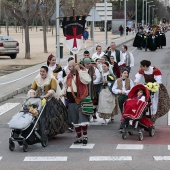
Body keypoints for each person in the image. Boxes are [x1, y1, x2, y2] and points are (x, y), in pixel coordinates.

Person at [28, 65, 68, 137]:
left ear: (47, 72)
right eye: (40, 71)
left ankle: (50, 132)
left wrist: (45, 96)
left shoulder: (51, 79)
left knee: (51, 117)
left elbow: (53, 89)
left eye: (43, 72)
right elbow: (33, 89)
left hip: (49, 100)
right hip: (39, 100)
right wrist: (32, 95)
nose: (42, 73)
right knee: (36, 115)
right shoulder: (37, 79)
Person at [60, 60, 91, 145]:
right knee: (75, 121)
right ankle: (79, 138)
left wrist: (79, 71)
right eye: (68, 66)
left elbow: (87, 80)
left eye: (70, 66)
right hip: (71, 101)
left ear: (74, 67)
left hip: (82, 100)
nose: (69, 68)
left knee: (83, 120)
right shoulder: (68, 76)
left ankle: (85, 137)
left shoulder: (82, 73)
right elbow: (65, 87)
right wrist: (60, 94)